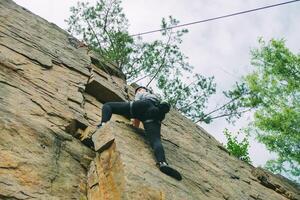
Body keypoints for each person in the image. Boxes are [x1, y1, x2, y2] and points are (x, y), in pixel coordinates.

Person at [93, 86, 182, 181]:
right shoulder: (155, 96)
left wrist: (134, 125)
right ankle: (162, 163)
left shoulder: (140, 93)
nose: (137, 91)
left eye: (138, 90)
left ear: (141, 90)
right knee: (155, 140)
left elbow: (136, 108)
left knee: (108, 105)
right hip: (154, 114)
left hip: (143, 106)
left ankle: (103, 124)